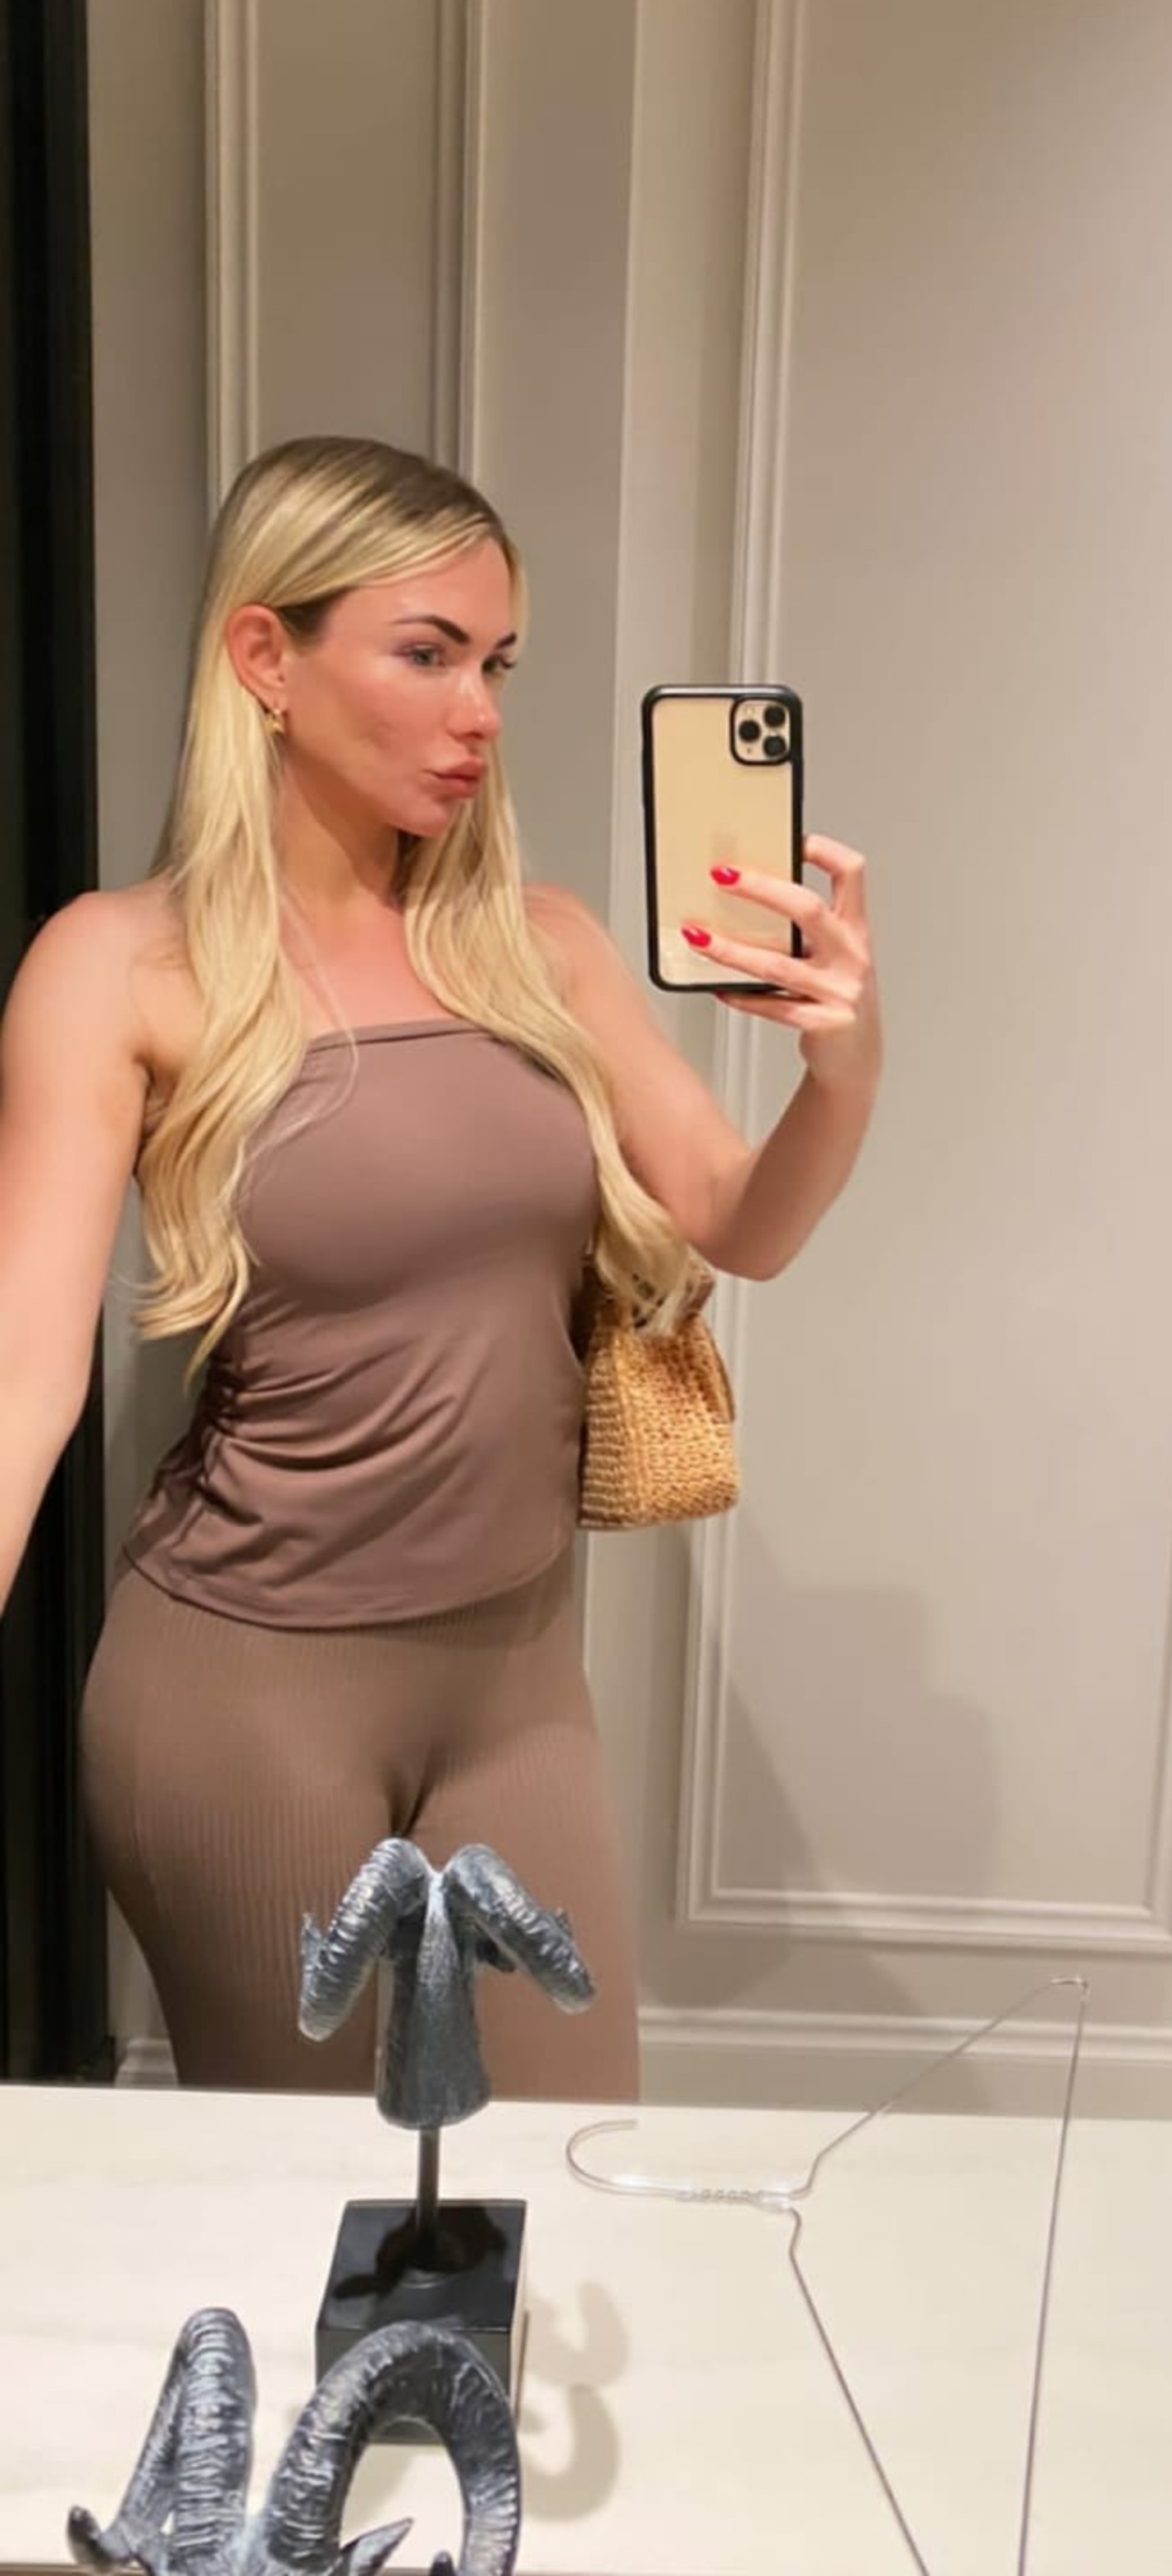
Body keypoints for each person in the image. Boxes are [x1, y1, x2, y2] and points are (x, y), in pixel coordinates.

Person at [0, 435, 881, 2102]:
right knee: (312, 2199)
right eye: (427, 653)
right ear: (266, 657)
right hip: (244, 1692)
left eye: (498, 663)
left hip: (517, 1678)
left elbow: (739, 1219)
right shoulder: (120, 965)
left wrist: (842, 1070)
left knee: (562, 2173)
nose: (479, 710)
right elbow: (23, 1379)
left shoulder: (543, 945)